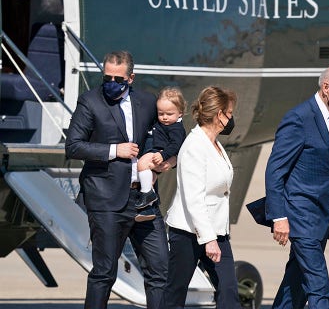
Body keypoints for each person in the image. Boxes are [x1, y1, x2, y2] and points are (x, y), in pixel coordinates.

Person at [65, 50, 169, 309]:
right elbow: (73, 146)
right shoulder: (90, 102)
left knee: (160, 271)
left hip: (143, 199)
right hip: (106, 199)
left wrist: (159, 162)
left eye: (118, 78)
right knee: (104, 272)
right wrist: (114, 151)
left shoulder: (146, 102)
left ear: (130, 78)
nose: (111, 83)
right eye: (107, 77)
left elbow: (164, 134)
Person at [264, 62, 329, 308]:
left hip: (324, 215)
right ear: (326, 88)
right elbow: (275, 171)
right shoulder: (299, 119)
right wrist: (278, 216)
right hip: (302, 214)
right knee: (319, 286)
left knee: (295, 284)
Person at [164, 86, 242, 309]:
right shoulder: (194, 146)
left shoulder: (214, 143)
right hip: (189, 232)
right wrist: (208, 239)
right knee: (175, 294)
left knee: (228, 289)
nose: (231, 118)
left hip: (217, 231)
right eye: (230, 113)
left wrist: (214, 237)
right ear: (220, 115)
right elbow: (193, 198)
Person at [134, 86, 187, 222]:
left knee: (142, 164)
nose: (164, 117)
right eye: (161, 113)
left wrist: (164, 156)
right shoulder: (162, 122)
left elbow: (176, 146)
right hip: (157, 153)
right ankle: (148, 202)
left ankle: (147, 194)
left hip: (158, 152)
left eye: (169, 114)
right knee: (150, 175)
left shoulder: (176, 128)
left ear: (180, 113)